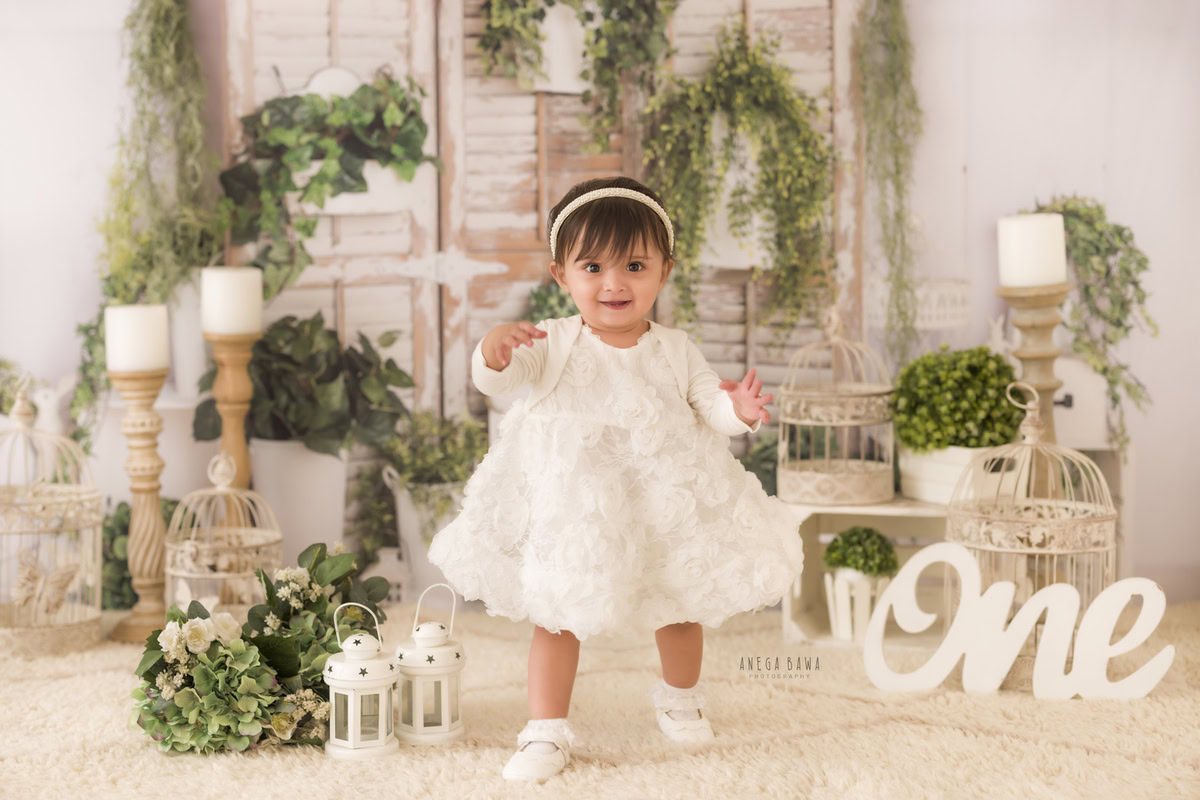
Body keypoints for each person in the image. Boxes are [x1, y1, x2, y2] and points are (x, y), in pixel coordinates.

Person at [426, 176, 805, 782]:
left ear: (664, 270)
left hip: (662, 503)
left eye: (634, 264)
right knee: (558, 614)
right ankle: (545, 730)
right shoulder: (551, 342)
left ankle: (680, 698)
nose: (614, 283)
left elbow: (711, 405)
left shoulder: (677, 349)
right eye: (593, 266)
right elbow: (499, 378)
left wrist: (741, 411)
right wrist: (494, 352)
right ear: (561, 275)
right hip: (578, 510)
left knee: (679, 604)